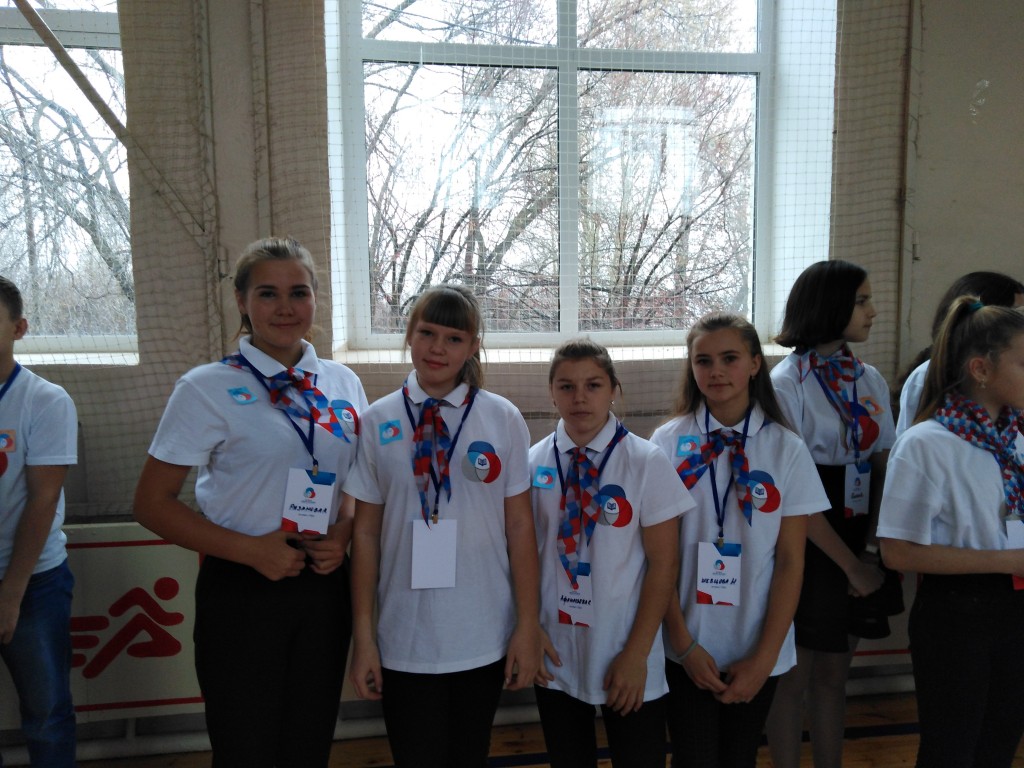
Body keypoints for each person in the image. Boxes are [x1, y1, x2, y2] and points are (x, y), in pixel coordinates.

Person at [133, 237, 367, 768]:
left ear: (315, 299)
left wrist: (343, 532)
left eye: (298, 292)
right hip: (243, 587)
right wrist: (251, 551)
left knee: (308, 745)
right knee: (246, 748)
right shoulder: (206, 387)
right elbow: (151, 503)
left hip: (323, 582)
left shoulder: (342, 382)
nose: (285, 307)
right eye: (267, 293)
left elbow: (358, 482)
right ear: (241, 301)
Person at [346, 284, 542, 768]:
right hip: (403, 637)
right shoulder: (376, 420)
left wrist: (527, 626)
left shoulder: (502, 419)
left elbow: (520, 528)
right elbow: (364, 535)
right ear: (408, 335)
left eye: (454, 338)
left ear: (474, 346)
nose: (438, 348)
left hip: (483, 634)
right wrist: (364, 637)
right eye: (427, 333)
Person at [650, 313, 827, 768]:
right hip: (686, 643)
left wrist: (764, 657)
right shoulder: (667, 443)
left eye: (729, 358)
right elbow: (659, 558)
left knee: (738, 757)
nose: (716, 371)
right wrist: (684, 645)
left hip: (756, 645)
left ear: (754, 364)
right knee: (692, 757)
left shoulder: (786, 448)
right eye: (703, 361)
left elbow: (790, 561)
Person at [878, 297, 1024, 767]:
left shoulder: (1017, 438)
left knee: (998, 747)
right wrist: (1007, 561)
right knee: (951, 750)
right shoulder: (926, 444)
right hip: (957, 615)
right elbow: (897, 551)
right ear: (981, 369)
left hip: (1015, 610)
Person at [765, 260, 899, 768]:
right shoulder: (786, 383)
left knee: (834, 675)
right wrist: (850, 564)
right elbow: (794, 494)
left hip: (859, 529)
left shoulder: (869, 379)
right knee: (793, 677)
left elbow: (882, 466)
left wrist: (872, 550)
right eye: (862, 301)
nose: (873, 312)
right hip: (808, 535)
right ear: (829, 306)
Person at [530, 338, 688, 768]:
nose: (579, 397)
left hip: (626, 648)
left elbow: (664, 564)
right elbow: (523, 557)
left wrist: (636, 653)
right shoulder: (533, 463)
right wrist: (530, 628)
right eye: (566, 386)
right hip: (556, 649)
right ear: (551, 392)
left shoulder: (646, 461)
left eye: (593, 385)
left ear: (614, 389)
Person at [0, 276, 78, 767]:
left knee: (46, 714)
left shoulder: (45, 400)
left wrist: (10, 594)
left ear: (19, 328)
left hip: (33, 583)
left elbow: (42, 499)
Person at [895, 271, 1024, 436]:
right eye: (1017, 313)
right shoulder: (926, 377)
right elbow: (911, 436)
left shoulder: (1008, 434)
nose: (1018, 322)